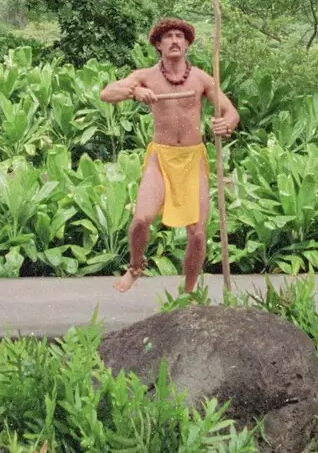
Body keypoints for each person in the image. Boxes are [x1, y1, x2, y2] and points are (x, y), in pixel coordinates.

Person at [99, 17, 239, 293]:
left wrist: (226, 124)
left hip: (192, 159)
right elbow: (106, 94)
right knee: (141, 219)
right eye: (168, 37)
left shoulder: (201, 78)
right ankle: (136, 266)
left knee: (197, 233)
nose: (174, 40)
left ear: (187, 44)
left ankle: (187, 295)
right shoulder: (146, 76)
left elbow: (230, 111)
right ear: (158, 45)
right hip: (160, 158)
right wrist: (135, 91)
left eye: (179, 36)